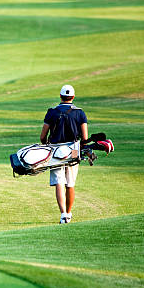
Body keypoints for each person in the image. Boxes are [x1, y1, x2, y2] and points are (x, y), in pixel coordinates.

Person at [39, 85, 88, 224]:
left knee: (59, 182)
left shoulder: (52, 112)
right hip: (73, 149)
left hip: (55, 149)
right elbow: (84, 137)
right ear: (73, 97)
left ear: (60, 96)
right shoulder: (80, 113)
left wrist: (45, 145)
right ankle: (70, 212)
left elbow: (43, 136)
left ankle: (63, 214)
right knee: (70, 183)